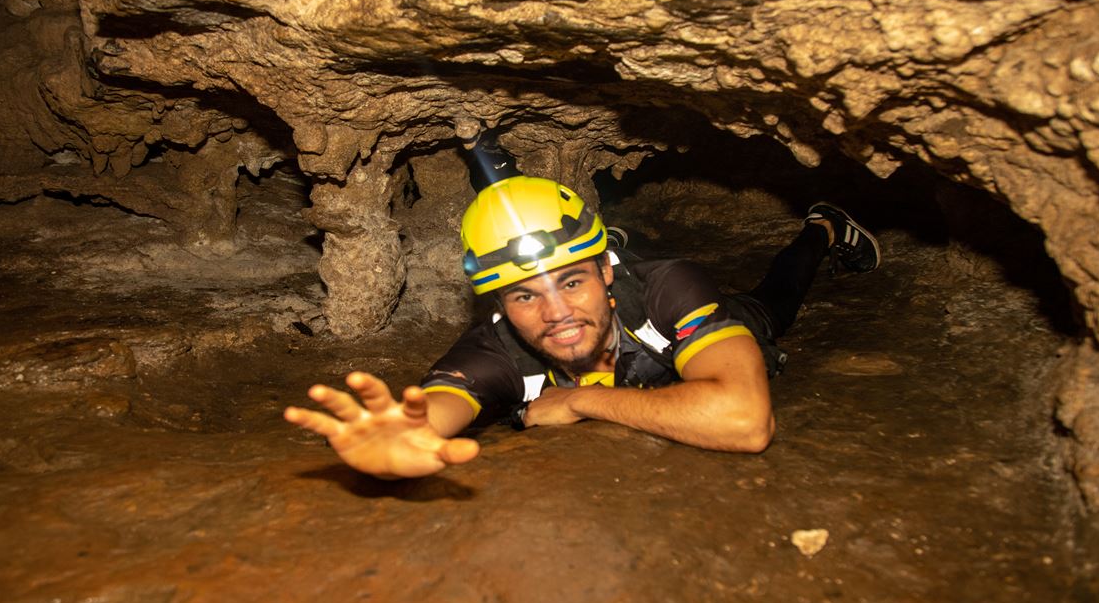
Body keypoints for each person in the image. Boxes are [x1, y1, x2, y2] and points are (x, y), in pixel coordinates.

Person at [284, 175, 880, 479]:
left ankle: (822, 229)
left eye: (571, 282)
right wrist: (397, 443)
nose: (554, 315)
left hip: (676, 323)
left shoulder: (666, 285)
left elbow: (746, 422)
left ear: (605, 271)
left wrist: (581, 403)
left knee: (772, 303)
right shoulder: (496, 347)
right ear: (499, 305)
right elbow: (438, 410)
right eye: (524, 295)